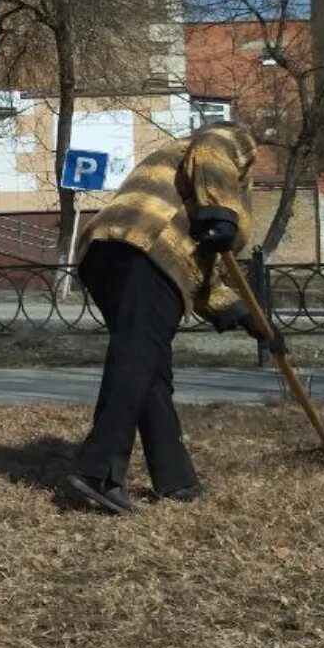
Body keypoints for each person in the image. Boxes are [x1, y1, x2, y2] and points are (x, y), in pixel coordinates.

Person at [61, 121, 265, 515]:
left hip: (111, 251)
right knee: (138, 358)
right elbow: (212, 148)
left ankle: (177, 480)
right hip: (148, 250)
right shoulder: (226, 140)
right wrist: (221, 214)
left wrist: (243, 315)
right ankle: (96, 472)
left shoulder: (177, 175)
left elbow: (198, 269)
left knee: (149, 368)